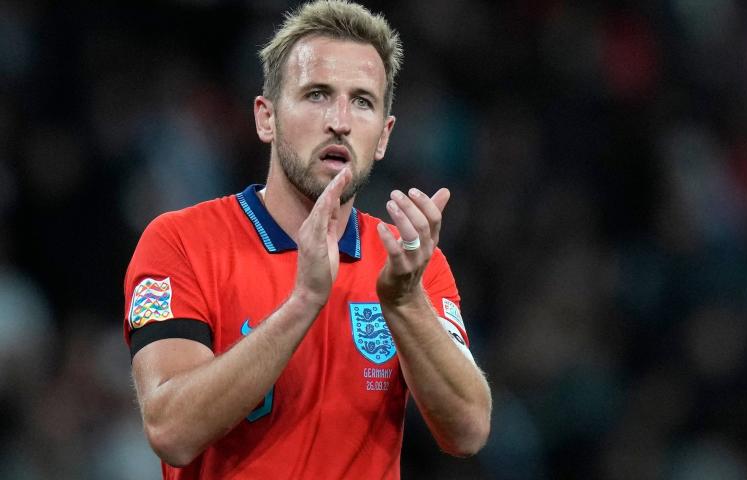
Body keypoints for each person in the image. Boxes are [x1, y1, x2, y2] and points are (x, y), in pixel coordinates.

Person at [121, 1, 492, 478]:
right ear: (266, 118)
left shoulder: (409, 266)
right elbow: (171, 431)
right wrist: (303, 302)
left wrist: (405, 303)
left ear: (383, 136)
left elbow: (468, 431)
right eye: (317, 94)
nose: (340, 120)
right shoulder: (182, 242)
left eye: (362, 101)